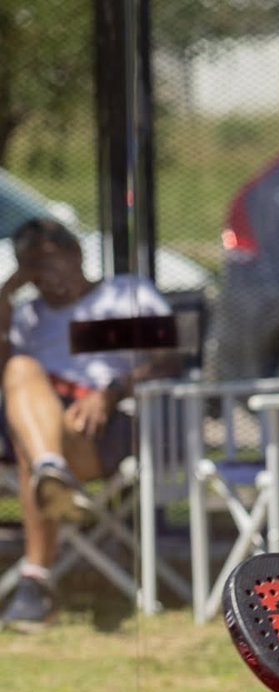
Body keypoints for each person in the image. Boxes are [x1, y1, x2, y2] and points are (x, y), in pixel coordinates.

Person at [0, 217, 176, 627]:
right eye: (31, 266)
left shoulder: (126, 293)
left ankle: (37, 582)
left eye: (49, 260)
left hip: (105, 423)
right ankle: (50, 471)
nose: (44, 275)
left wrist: (112, 391)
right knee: (21, 370)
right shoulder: (28, 317)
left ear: (75, 254)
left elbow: (171, 357)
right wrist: (5, 295)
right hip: (44, 421)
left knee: (34, 447)